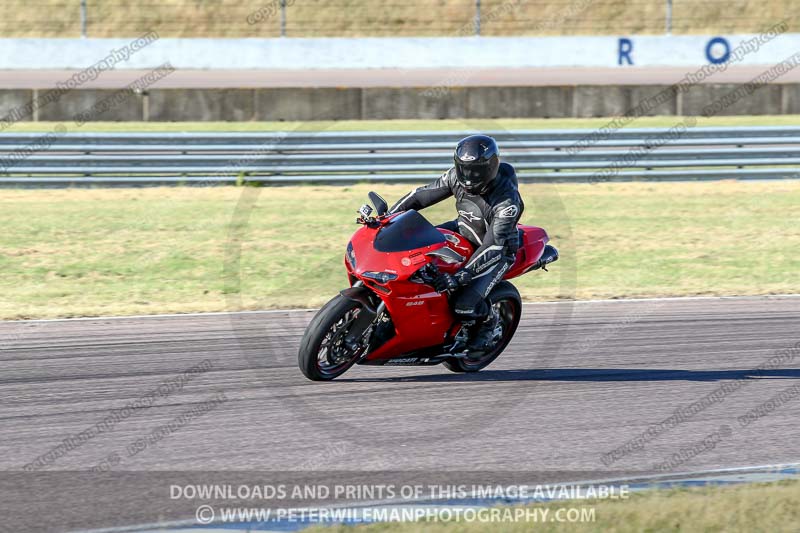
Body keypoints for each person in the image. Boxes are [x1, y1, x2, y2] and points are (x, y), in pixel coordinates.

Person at [388, 134, 524, 356]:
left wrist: (463, 274)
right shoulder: (455, 178)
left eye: (476, 171)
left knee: (464, 304)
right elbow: (420, 196)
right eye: (465, 169)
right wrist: (388, 217)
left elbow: (494, 245)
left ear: (491, 167)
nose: (469, 177)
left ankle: (488, 323)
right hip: (463, 230)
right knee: (415, 249)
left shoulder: (507, 203)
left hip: (497, 251)